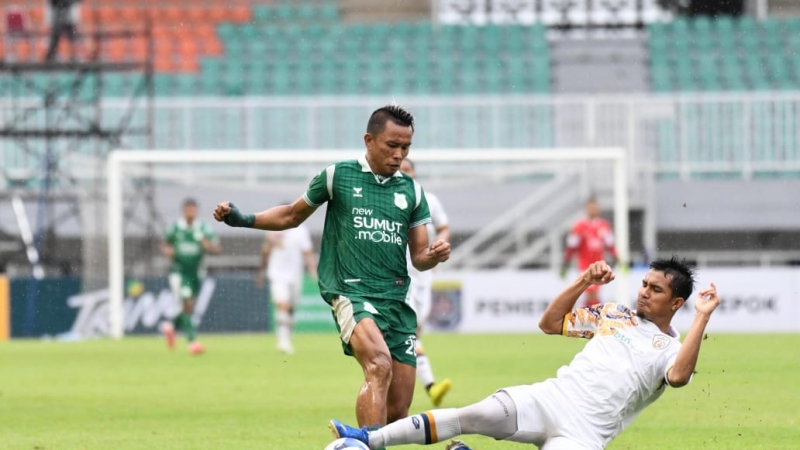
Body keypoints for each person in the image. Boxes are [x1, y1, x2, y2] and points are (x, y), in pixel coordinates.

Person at [213, 105, 451, 428]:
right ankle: (363, 446)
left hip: (396, 300)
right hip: (351, 292)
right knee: (379, 365)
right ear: (369, 140)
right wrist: (243, 219)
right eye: (392, 145)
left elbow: (419, 257)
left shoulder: (412, 191)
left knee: (398, 410)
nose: (399, 155)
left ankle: (359, 441)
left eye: (406, 147)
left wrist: (433, 255)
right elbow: (291, 215)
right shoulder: (338, 176)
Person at [331, 257, 721, 450]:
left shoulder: (672, 349)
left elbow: (678, 377)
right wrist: (584, 280)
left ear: (677, 303)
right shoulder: (615, 314)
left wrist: (702, 317)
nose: (644, 292)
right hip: (549, 397)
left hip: (583, 435)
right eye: (644, 284)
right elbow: (550, 323)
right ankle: (367, 439)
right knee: (472, 415)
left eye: (655, 289)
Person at [399, 158, 452, 407]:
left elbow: (444, 228)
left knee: (414, 332)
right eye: (400, 170)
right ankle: (429, 386)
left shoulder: (429, 201)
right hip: (398, 276)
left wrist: (439, 245)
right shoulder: (387, 200)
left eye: (407, 169)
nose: (403, 173)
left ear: (415, 174)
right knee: (408, 331)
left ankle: (423, 386)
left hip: (423, 275)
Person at [160, 198, 221, 355]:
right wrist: (168, 251)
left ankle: (171, 326)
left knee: (189, 307)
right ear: (183, 211)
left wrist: (208, 246)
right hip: (179, 272)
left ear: (196, 211)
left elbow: (217, 248)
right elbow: (164, 243)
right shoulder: (175, 228)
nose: (190, 213)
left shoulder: (203, 228)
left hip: (196, 273)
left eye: (193, 210)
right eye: (188, 210)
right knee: (187, 303)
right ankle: (192, 342)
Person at [255, 218, 318, 355]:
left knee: (291, 308)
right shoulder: (273, 227)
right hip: (277, 274)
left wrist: (312, 270)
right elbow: (265, 251)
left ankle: (287, 333)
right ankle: (283, 341)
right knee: (282, 304)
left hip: (295, 274)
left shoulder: (301, 230)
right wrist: (261, 272)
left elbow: (307, 251)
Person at [560, 197, 618, 307]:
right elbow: (571, 246)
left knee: (594, 293)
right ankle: (591, 314)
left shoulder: (604, 225)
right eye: (590, 208)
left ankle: (591, 314)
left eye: (594, 208)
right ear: (586, 209)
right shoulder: (579, 226)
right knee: (590, 293)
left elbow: (610, 245)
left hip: (599, 265)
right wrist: (565, 262)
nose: (593, 210)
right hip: (584, 265)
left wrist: (617, 258)